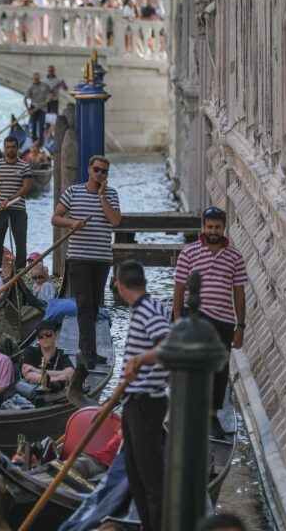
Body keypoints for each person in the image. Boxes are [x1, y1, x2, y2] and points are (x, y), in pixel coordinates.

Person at [172, 206, 248, 438]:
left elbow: (239, 293)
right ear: (203, 227)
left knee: (220, 370)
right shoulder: (189, 252)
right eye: (209, 226)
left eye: (217, 227)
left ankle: (211, 417)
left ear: (223, 228)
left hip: (223, 321)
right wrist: (177, 321)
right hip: (194, 317)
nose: (213, 231)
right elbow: (179, 288)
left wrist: (240, 326)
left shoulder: (235, 257)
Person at [51, 155, 121, 369]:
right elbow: (55, 218)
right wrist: (72, 222)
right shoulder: (74, 192)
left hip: (101, 258)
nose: (100, 174)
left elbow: (115, 221)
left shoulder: (111, 194)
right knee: (84, 304)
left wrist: (101, 197)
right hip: (79, 257)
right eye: (97, 170)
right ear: (89, 170)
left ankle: (89, 350)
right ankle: (88, 352)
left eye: (104, 172)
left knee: (93, 304)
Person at [117, 260, 172, 531]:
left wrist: (139, 360)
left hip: (146, 403)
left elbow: (167, 348)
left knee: (150, 477)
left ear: (119, 285)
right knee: (135, 473)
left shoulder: (150, 310)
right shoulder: (144, 310)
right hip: (133, 402)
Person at [0, 136, 33, 270]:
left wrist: (9, 200)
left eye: (13, 147)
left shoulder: (24, 166)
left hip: (18, 209)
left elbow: (26, 187)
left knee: (20, 243)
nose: (10, 150)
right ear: (4, 149)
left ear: (17, 148)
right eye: (7, 147)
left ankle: (20, 271)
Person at [20, 320, 74, 388]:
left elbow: (70, 374)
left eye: (48, 334)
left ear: (55, 335)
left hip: (55, 396)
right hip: (32, 395)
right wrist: (55, 379)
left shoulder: (62, 355)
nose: (44, 337)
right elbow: (28, 375)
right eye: (40, 336)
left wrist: (37, 370)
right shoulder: (30, 351)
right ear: (38, 339)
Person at [25, 72, 50, 147]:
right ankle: (34, 142)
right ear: (33, 79)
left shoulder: (44, 86)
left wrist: (48, 99)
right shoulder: (30, 87)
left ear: (39, 78)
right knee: (34, 126)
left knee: (41, 126)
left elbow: (50, 93)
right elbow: (25, 99)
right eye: (35, 79)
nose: (36, 80)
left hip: (43, 108)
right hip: (34, 108)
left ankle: (40, 144)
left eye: (37, 79)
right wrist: (28, 110)